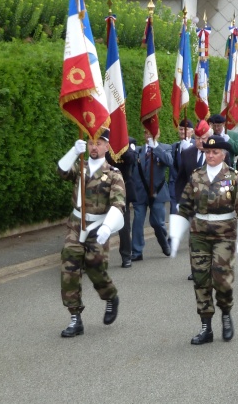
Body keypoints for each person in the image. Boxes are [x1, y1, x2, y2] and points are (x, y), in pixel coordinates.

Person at [169, 134, 238, 345]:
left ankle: (225, 313)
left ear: (223, 154)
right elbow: (185, 206)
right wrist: (176, 234)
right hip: (199, 235)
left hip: (224, 235)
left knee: (222, 279)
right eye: (207, 152)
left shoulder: (232, 177)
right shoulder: (196, 176)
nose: (211, 155)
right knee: (201, 280)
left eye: (215, 152)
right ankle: (206, 327)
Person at [56, 129, 125, 337]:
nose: (94, 146)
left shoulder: (113, 173)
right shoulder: (80, 165)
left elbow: (119, 203)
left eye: (99, 143)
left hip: (98, 227)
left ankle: (110, 296)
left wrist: (107, 227)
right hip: (76, 225)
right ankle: (75, 318)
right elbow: (61, 172)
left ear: (107, 147)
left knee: (96, 269)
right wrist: (72, 152)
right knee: (69, 270)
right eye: (91, 142)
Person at [131, 126, 173, 260]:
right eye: (146, 133)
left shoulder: (165, 148)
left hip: (158, 192)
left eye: (151, 132)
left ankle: (164, 243)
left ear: (158, 133)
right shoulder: (138, 151)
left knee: (158, 223)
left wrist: (155, 147)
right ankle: (137, 251)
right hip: (140, 192)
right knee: (137, 221)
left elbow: (169, 161)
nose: (148, 135)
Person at [106, 136, 138, 268]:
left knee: (124, 226)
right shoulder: (102, 142)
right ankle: (92, 258)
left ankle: (126, 256)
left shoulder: (129, 143)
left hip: (122, 189)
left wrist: (121, 147)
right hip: (104, 188)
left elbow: (132, 160)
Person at [169, 119, 194, 214]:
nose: (183, 131)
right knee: (174, 214)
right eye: (181, 129)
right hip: (175, 187)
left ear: (192, 131)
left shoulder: (197, 146)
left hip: (191, 186)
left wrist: (189, 149)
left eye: (186, 129)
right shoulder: (174, 146)